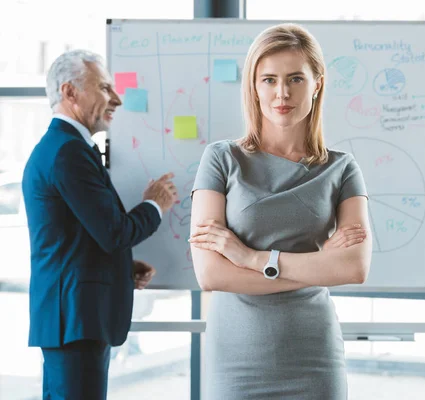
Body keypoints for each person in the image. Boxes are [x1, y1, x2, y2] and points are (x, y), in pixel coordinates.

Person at [188, 23, 371, 399]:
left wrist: (250, 257)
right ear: (253, 87)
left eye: (295, 79)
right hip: (237, 357)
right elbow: (210, 274)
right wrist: (319, 266)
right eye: (268, 80)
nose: (281, 93)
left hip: (313, 356)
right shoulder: (221, 159)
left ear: (317, 83)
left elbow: (354, 267)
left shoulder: (342, 168)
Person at [22, 50, 178, 400]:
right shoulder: (68, 151)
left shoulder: (68, 147)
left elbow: (76, 237)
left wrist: (121, 266)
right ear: (70, 92)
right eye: (105, 87)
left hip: (75, 319)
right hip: (75, 322)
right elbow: (114, 232)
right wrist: (155, 203)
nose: (117, 99)